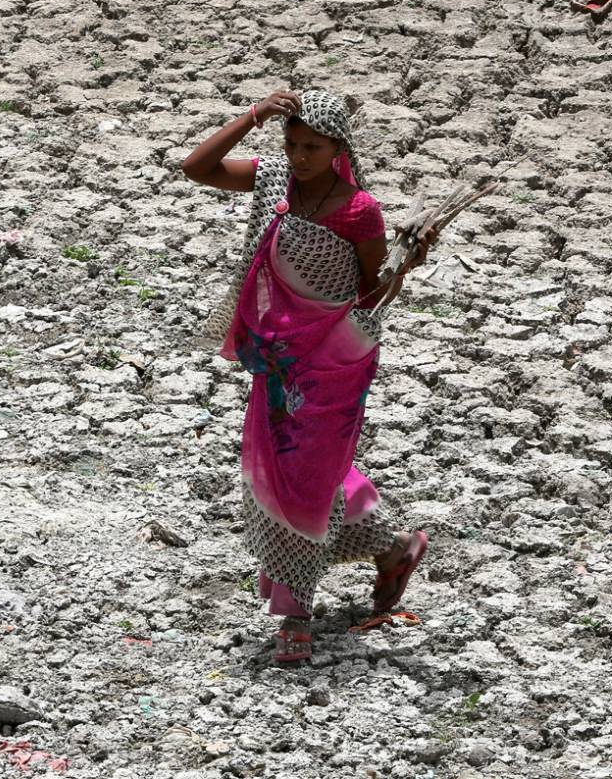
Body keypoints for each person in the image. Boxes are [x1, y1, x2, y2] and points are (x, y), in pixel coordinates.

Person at [181, 88, 435, 667]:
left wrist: (408, 265)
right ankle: (394, 547)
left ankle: (295, 613)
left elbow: (374, 291)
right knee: (291, 465)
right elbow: (197, 169)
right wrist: (254, 116)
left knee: (306, 470)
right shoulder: (274, 183)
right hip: (278, 357)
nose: (298, 156)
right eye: (292, 143)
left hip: (334, 358)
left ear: (337, 148)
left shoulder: (358, 209)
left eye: (312, 147)